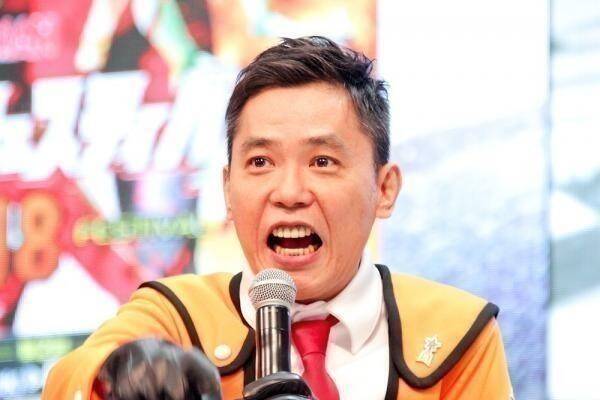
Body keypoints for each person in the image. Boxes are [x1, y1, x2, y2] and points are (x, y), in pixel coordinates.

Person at [42, 36, 513, 400]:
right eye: (261, 162)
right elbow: (73, 378)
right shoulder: (177, 316)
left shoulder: (457, 334)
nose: (288, 193)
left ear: (385, 189)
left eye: (322, 161)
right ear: (227, 190)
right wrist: (116, 375)